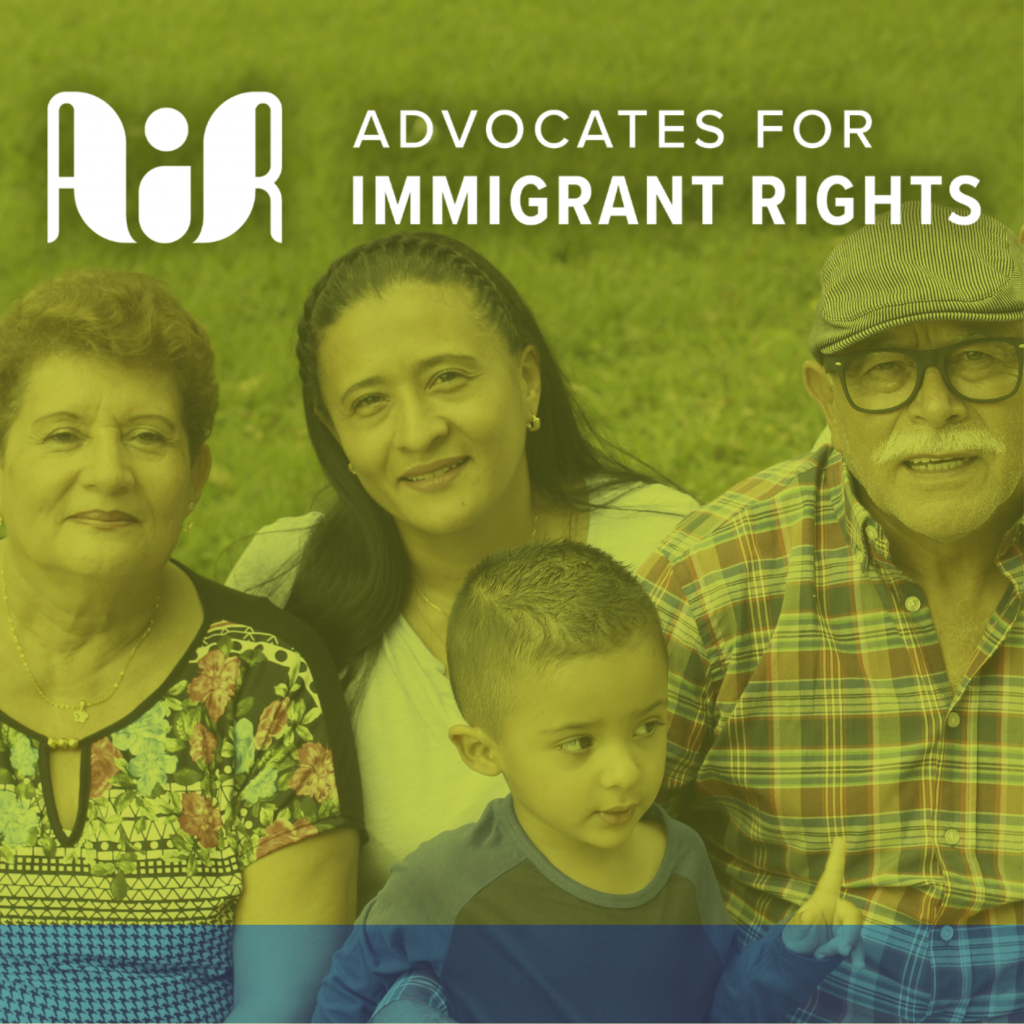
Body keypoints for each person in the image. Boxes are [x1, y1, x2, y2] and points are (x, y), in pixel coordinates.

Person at [226, 231, 697, 907]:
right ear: (337, 436)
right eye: (369, 403)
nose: (418, 431)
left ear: (526, 380)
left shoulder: (664, 551)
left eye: (447, 378)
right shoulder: (284, 586)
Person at [642, 204, 1023, 1023]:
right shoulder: (717, 577)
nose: (937, 408)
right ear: (826, 394)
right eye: (885, 369)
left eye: (982, 359)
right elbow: (583, 843)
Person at [0, 270, 363, 1023]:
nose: (107, 472)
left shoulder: (264, 680)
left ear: (194, 478)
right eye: (63, 434)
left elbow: (284, 1004)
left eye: (148, 437)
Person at [312, 541, 863, 1024]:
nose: (625, 771)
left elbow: (717, 1010)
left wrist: (791, 955)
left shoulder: (684, 865)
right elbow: (349, 991)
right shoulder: (443, 882)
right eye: (579, 743)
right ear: (482, 751)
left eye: (647, 726)